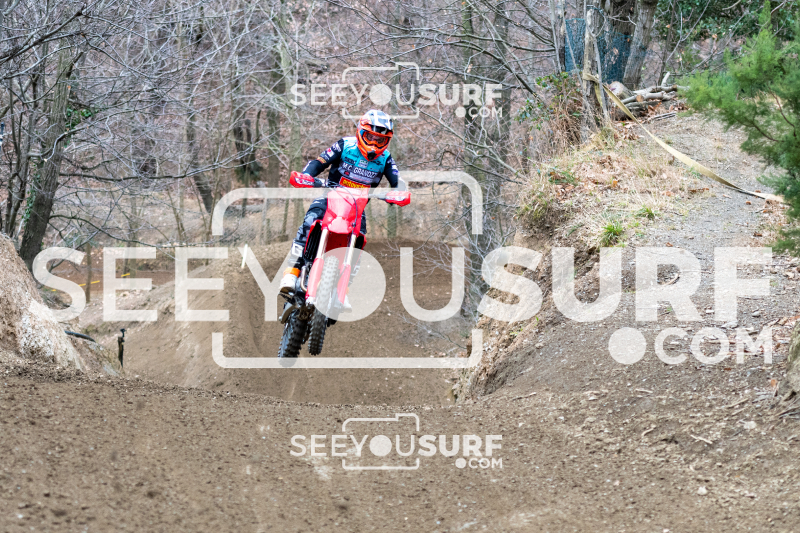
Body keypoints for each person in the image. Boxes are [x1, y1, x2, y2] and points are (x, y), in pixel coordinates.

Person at [279, 109, 407, 302]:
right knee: (311, 219)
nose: (374, 143)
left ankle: (343, 287)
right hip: (330, 198)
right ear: (361, 132)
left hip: (356, 208)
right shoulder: (345, 145)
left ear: (386, 141)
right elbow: (319, 162)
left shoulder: (385, 158)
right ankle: (292, 270)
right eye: (370, 137)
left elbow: (397, 180)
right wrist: (307, 176)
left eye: (379, 140)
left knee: (360, 239)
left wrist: (399, 192)